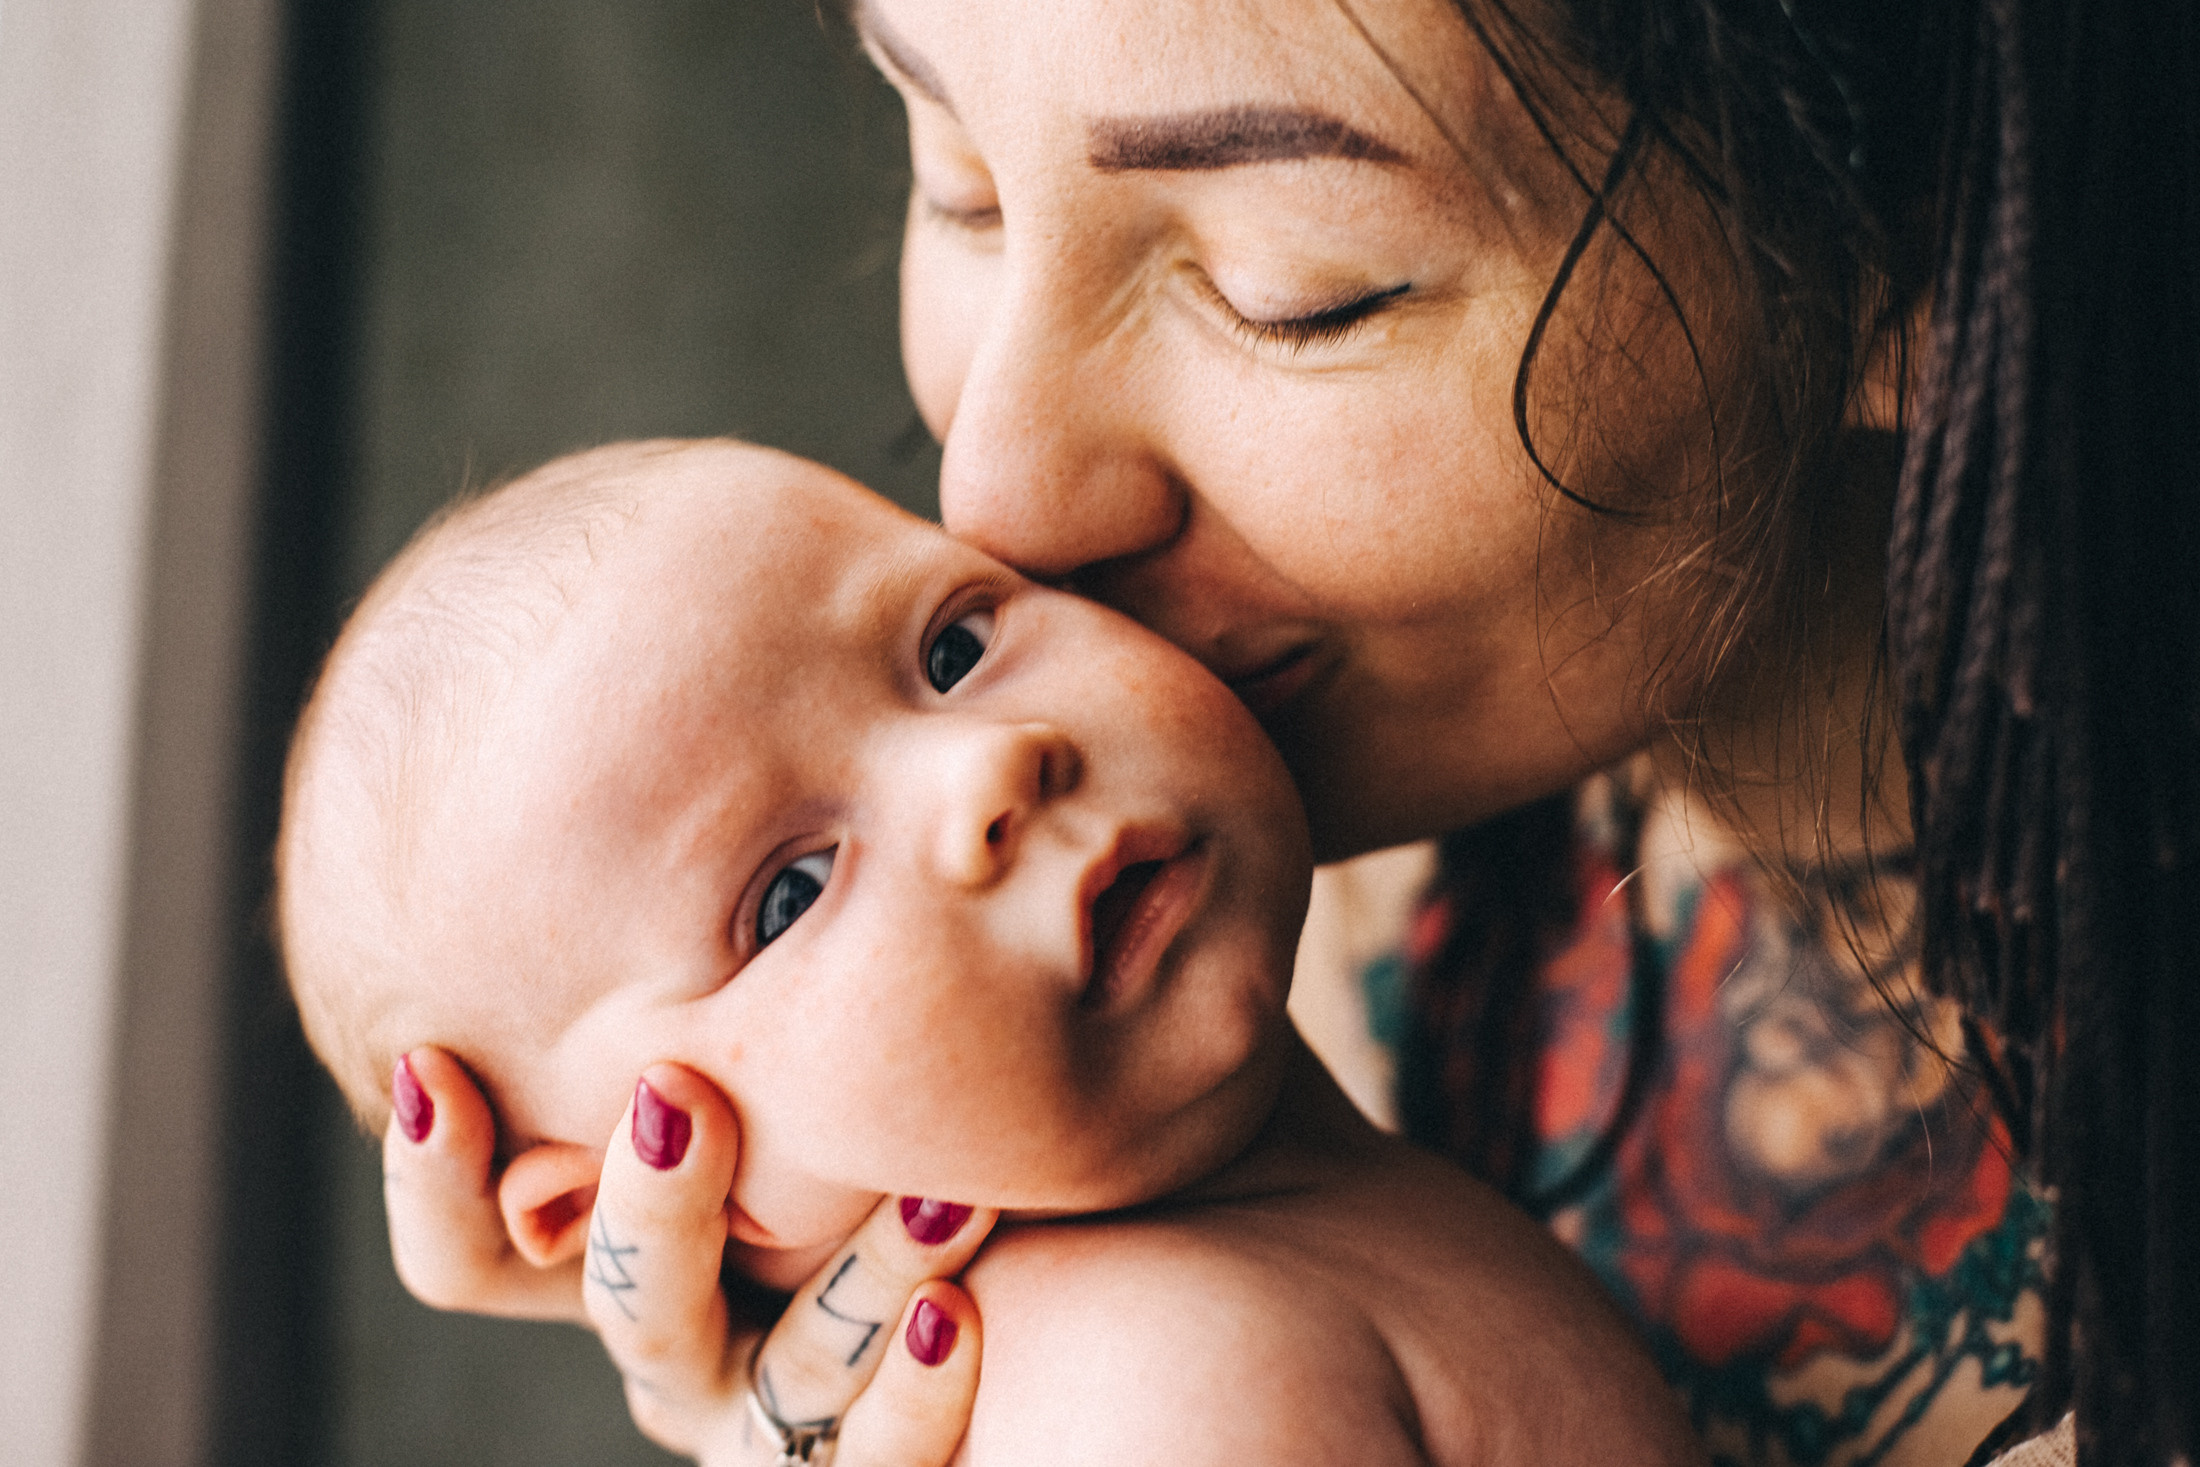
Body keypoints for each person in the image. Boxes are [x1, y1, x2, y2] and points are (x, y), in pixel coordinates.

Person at [361, 0, 2199, 1463]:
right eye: (960, 181)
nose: (997, 489)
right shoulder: (1272, 890)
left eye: (1292, 288)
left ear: (1921, 240)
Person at [278, 436, 1706, 1467]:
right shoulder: (1143, 1395)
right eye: (787, 894)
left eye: (953, 646)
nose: (986, 772)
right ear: (650, 1197)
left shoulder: (1249, 1255)